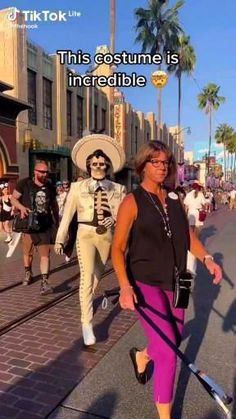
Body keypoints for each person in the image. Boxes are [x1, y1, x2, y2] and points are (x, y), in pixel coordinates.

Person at [111, 141, 222, 419]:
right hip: (144, 282)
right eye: (156, 162)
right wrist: (125, 286)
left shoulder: (173, 198)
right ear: (143, 165)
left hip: (177, 281)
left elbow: (187, 237)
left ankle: (143, 356)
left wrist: (207, 258)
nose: (162, 167)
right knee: (169, 353)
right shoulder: (131, 201)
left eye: (166, 163)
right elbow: (117, 248)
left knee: (169, 341)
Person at [54, 134, 126, 346]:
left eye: (102, 163)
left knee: (96, 277)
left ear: (107, 165)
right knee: (86, 276)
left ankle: (86, 304)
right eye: (95, 163)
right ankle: (87, 323)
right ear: (88, 165)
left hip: (106, 236)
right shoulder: (77, 188)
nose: (98, 166)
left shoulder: (118, 189)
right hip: (85, 233)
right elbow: (67, 215)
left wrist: (114, 220)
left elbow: (123, 216)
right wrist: (60, 239)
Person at [11, 161, 59, 294]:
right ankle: (28, 272)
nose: (45, 174)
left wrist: (58, 222)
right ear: (35, 171)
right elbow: (13, 198)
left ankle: (45, 281)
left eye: (47, 172)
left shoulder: (50, 185)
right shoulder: (24, 183)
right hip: (28, 223)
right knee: (27, 252)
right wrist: (21, 208)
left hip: (45, 224)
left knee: (45, 254)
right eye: (42, 172)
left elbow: (54, 205)